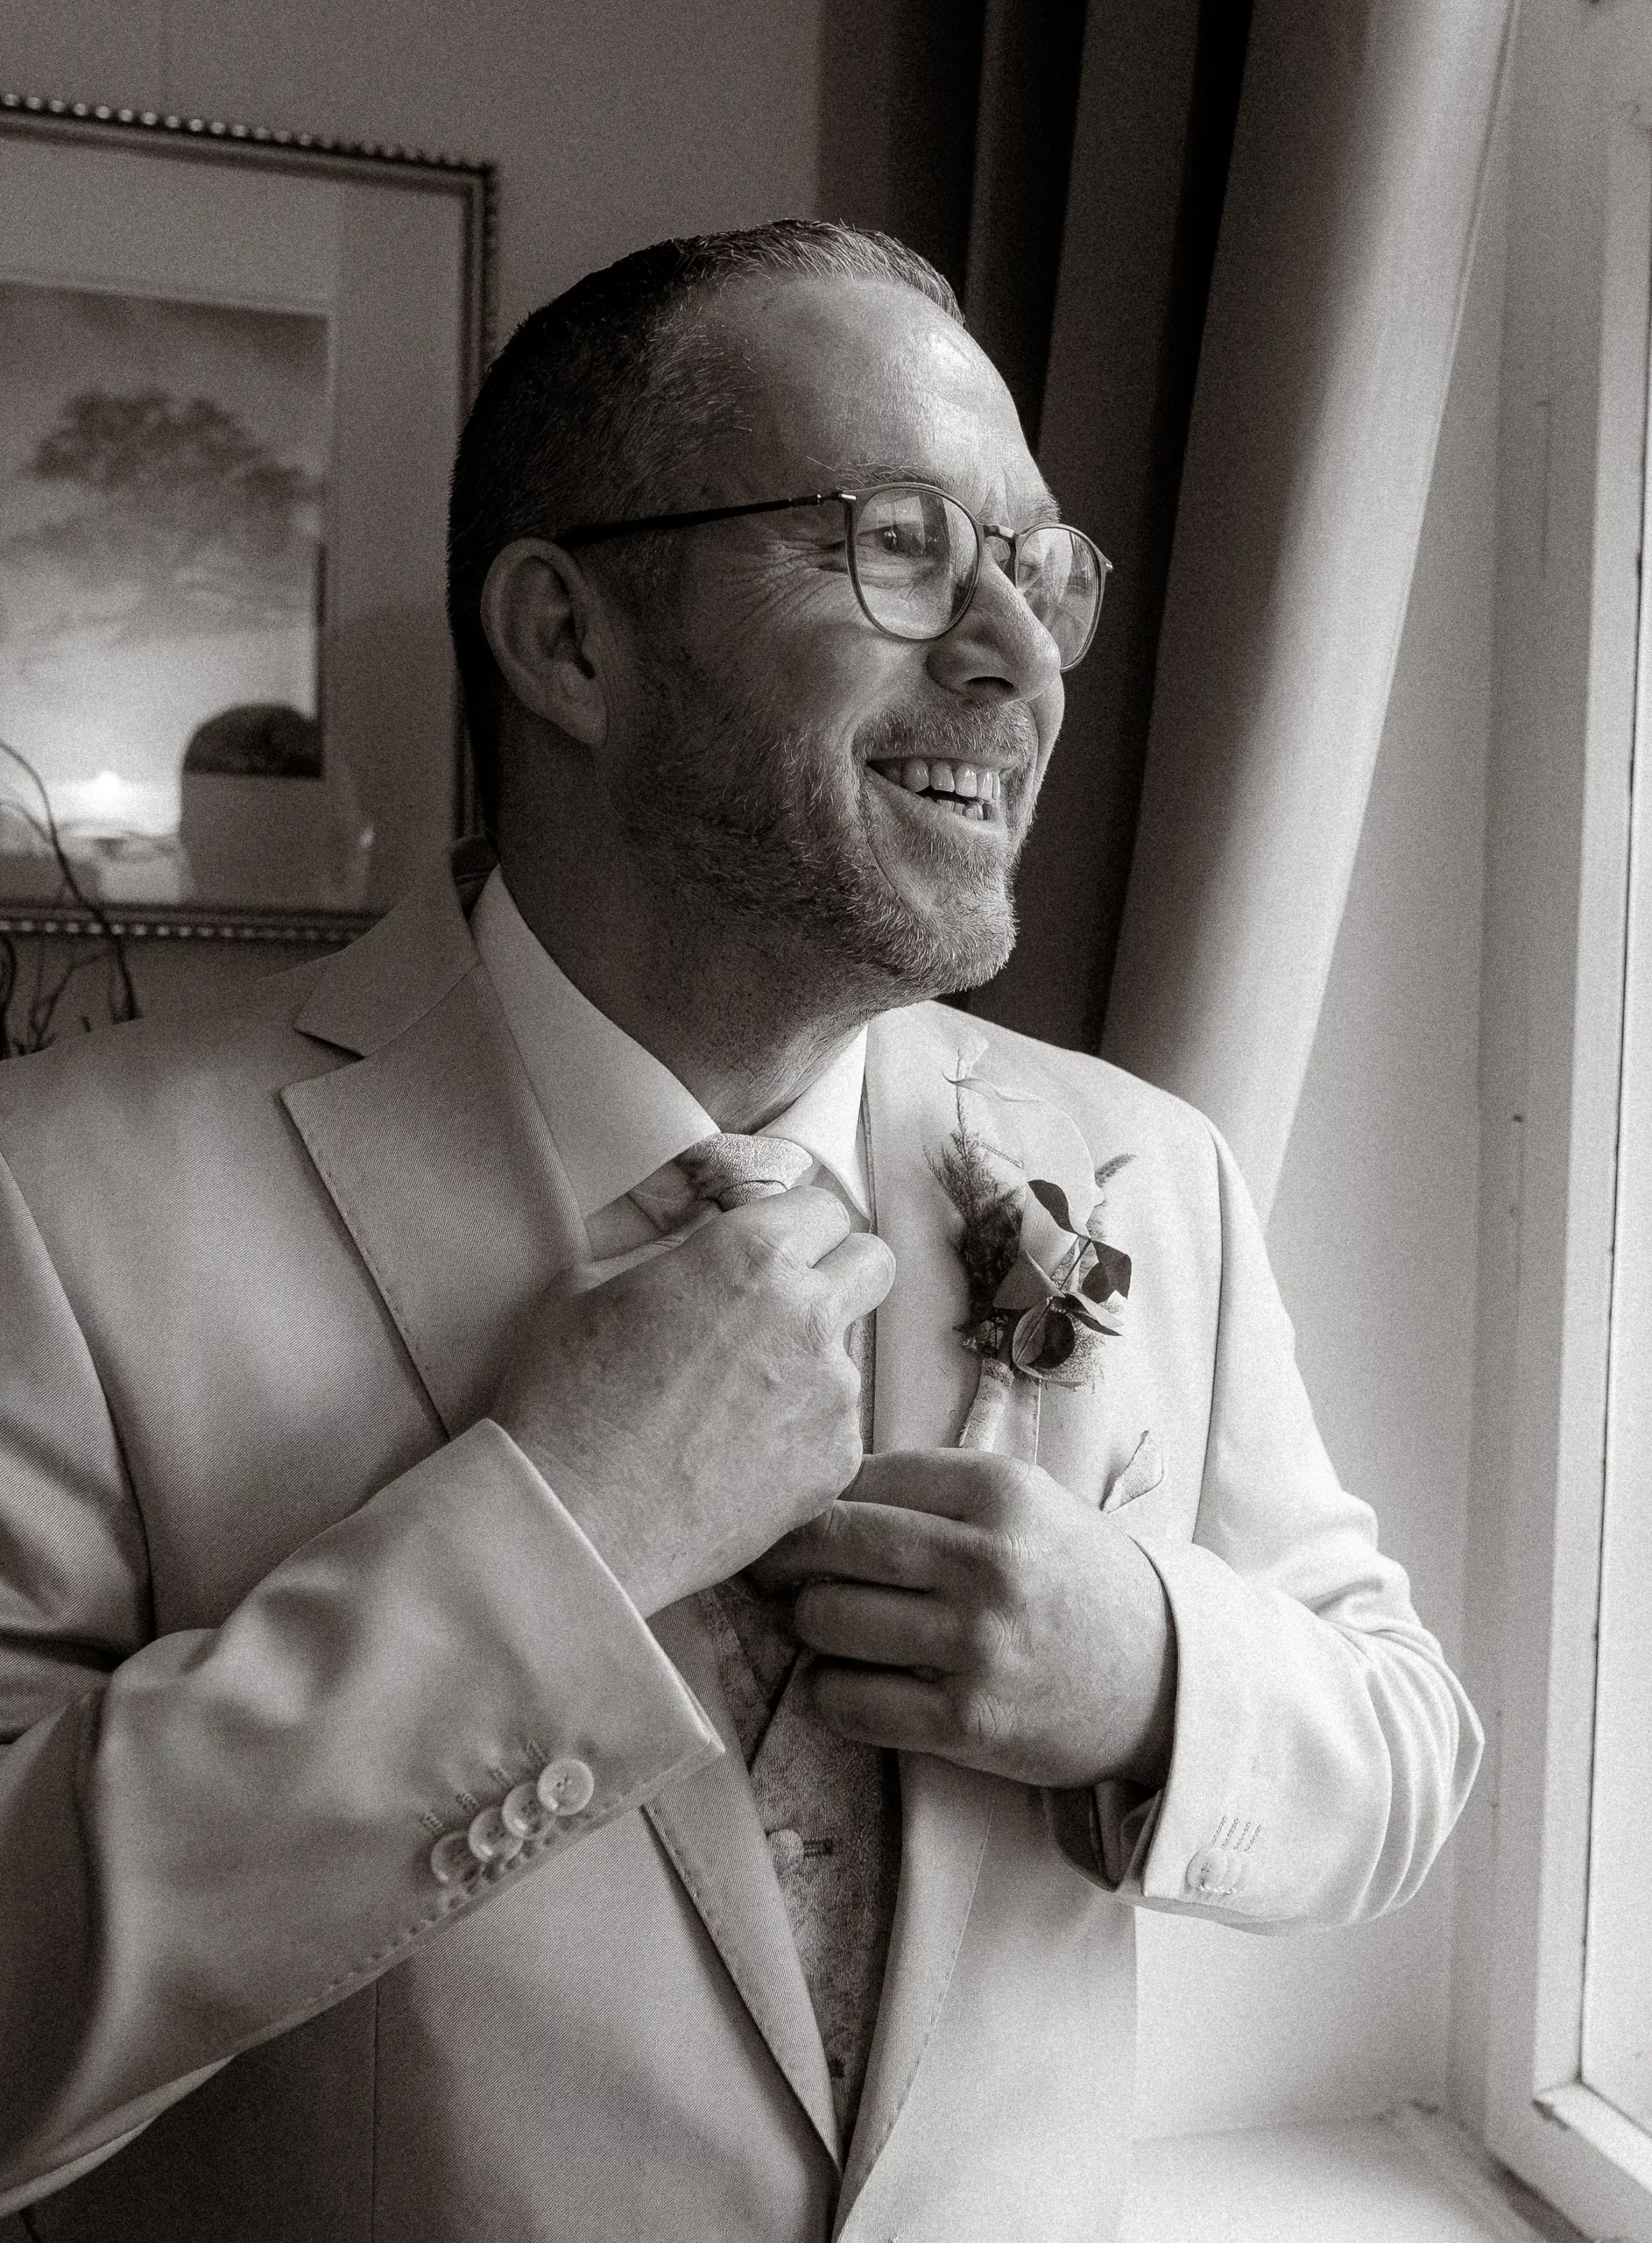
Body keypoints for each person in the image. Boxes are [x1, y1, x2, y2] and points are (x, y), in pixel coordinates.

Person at [0, 221, 1480, 2243]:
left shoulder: (1151, 1167)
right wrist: (567, 1532)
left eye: (1038, 569)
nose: (1019, 657)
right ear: (568, 639)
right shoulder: (60, 1196)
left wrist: (1152, 1669)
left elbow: (1403, 1749)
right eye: (897, 543)